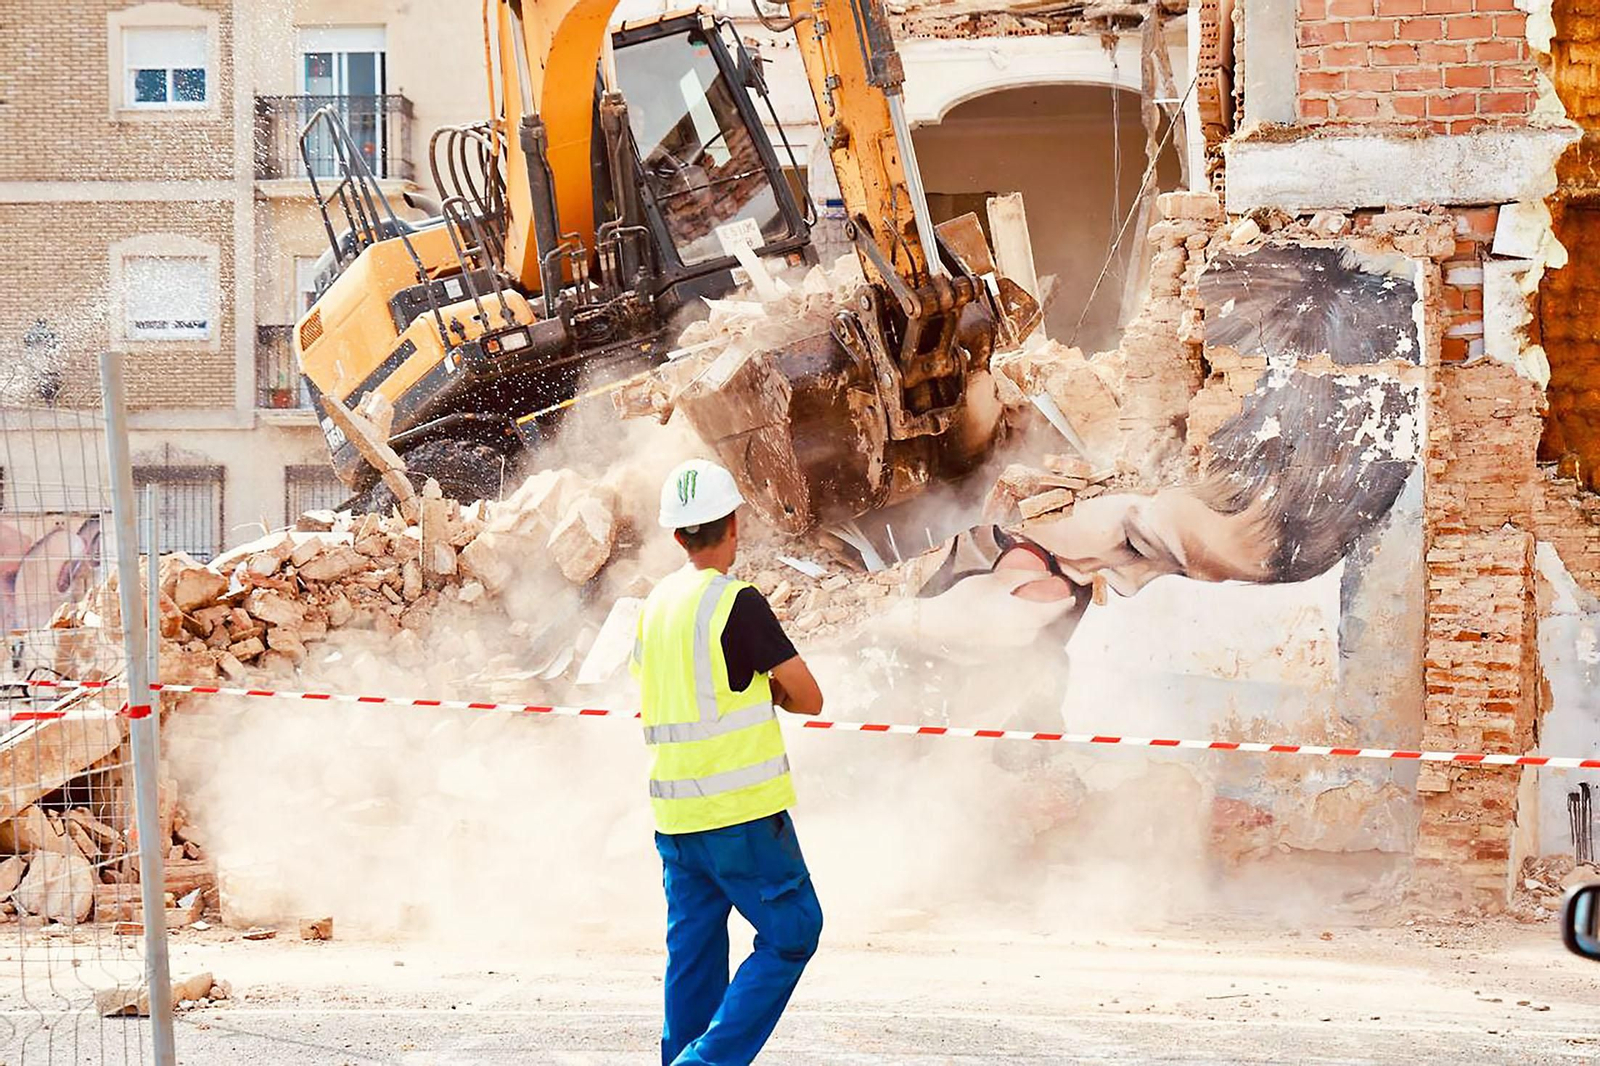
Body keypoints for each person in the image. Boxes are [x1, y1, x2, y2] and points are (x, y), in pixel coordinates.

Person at [632, 458, 826, 1066]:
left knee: (694, 957)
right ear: (734, 524)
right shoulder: (734, 603)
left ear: (677, 535)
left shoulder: (654, 606)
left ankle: (681, 1057)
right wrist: (769, 692)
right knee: (794, 931)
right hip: (740, 815)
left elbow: (662, 693)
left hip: (676, 819)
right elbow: (810, 697)